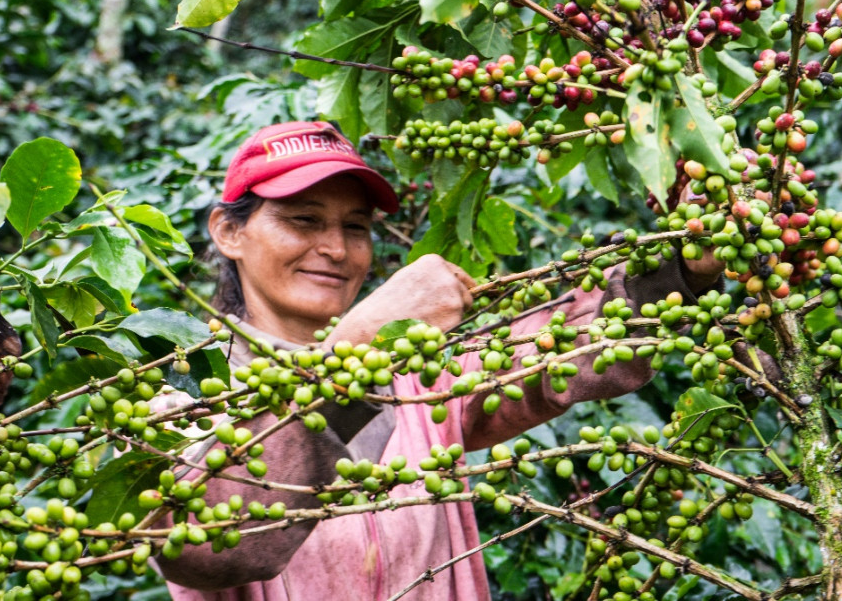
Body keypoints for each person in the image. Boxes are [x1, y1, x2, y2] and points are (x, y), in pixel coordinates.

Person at [154, 121, 723, 600]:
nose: (334, 248)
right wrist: (358, 348)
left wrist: (683, 271)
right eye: (302, 220)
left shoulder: (422, 373)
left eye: (355, 228)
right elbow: (209, 548)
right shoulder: (183, 394)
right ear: (229, 231)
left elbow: (557, 352)